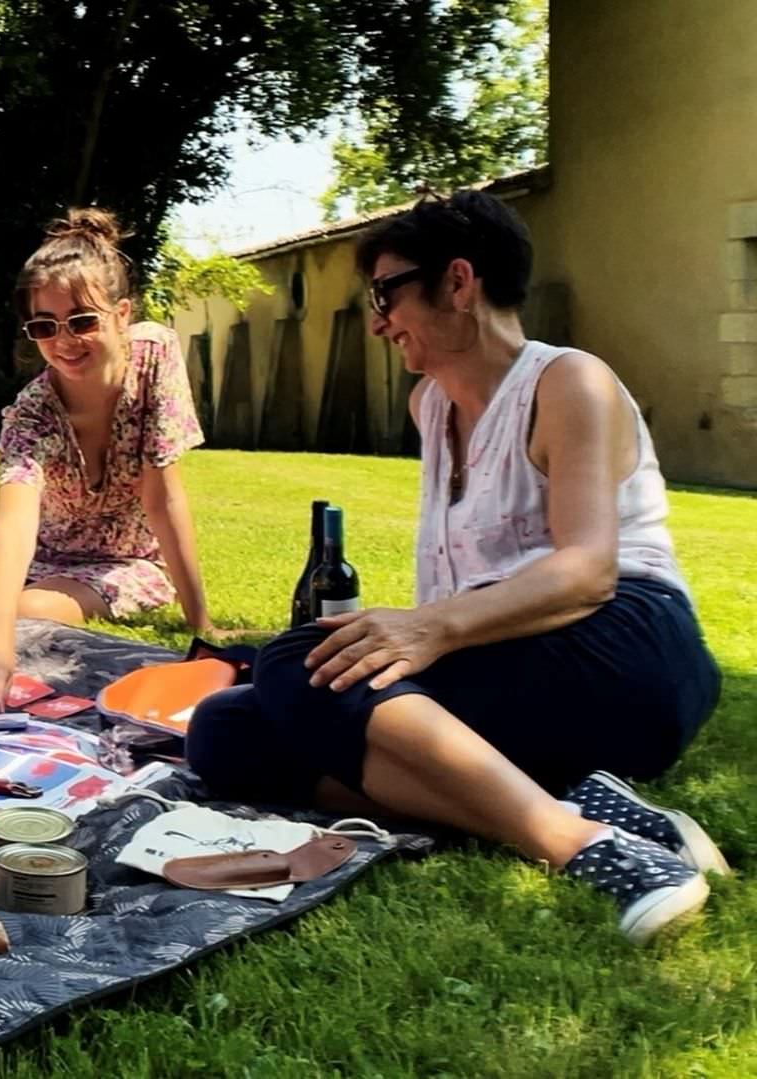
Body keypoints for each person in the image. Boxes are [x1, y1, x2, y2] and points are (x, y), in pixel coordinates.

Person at [185, 192, 724, 944]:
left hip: (630, 647)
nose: (377, 320)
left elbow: (589, 570)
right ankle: (573, 800)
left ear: (459, 282)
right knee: (224, 731)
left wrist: (428, 626)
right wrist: (408, 636)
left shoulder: (569, 382)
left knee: (297, 664)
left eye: (386, 293)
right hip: (509, 655)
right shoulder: (429, 407)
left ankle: (583, 846)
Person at [0, 208, 216, 710]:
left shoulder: (155, 356)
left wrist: (201, 621)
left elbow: (162, 497)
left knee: (27, 610)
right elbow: (16, 526)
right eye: (45, 326)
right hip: (41, 540)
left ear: (122, 315)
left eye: (82, 320)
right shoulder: (31, 413)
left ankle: (7, 610)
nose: (64, 341)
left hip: (119, 561)